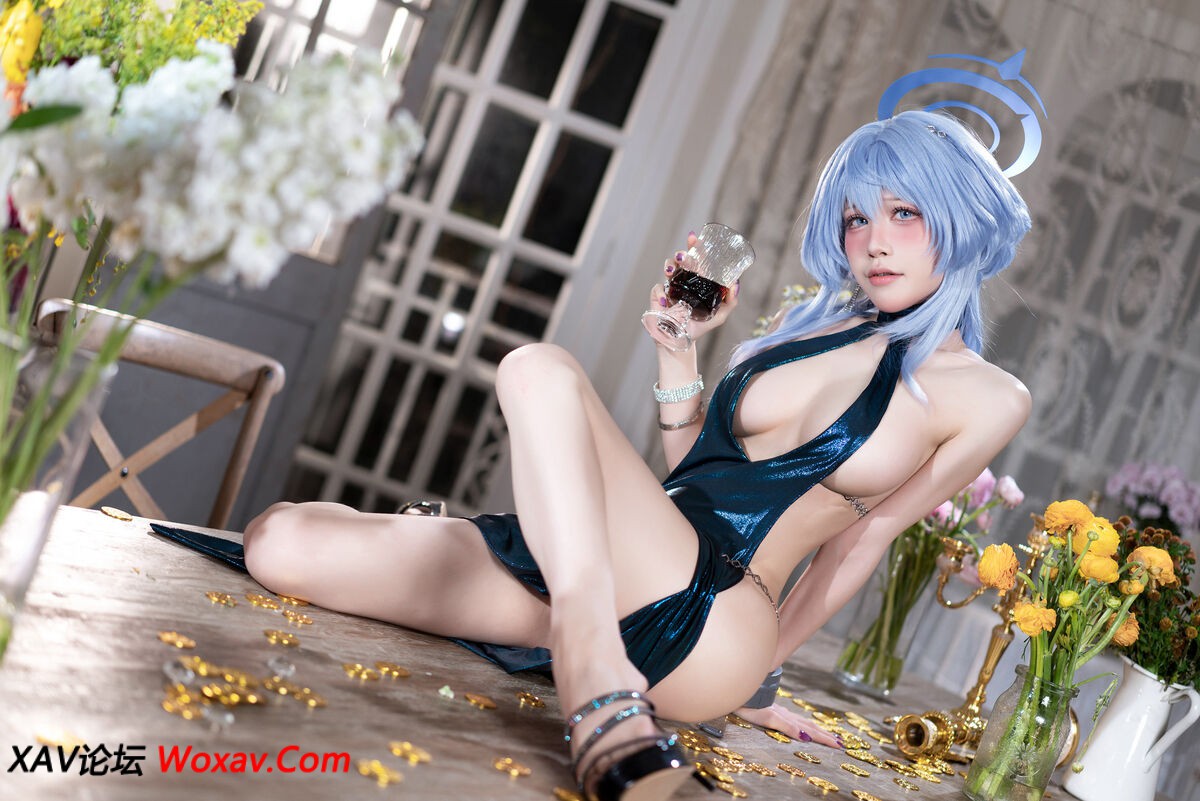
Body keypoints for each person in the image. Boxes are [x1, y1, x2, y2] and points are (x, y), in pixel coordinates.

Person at [242, 108, 1032, 801]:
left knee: (536, 366)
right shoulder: (810, 325)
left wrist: (759, 678)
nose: (874, 242)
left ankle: (589, 664)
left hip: (714, 619)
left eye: (903, 213)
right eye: (856, 219)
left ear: (960, 216)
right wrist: (679, 352)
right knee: (280, 541)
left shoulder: (986, 395)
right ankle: (577, 638)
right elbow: (697, 476)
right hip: (614, 569)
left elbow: (860, 543)